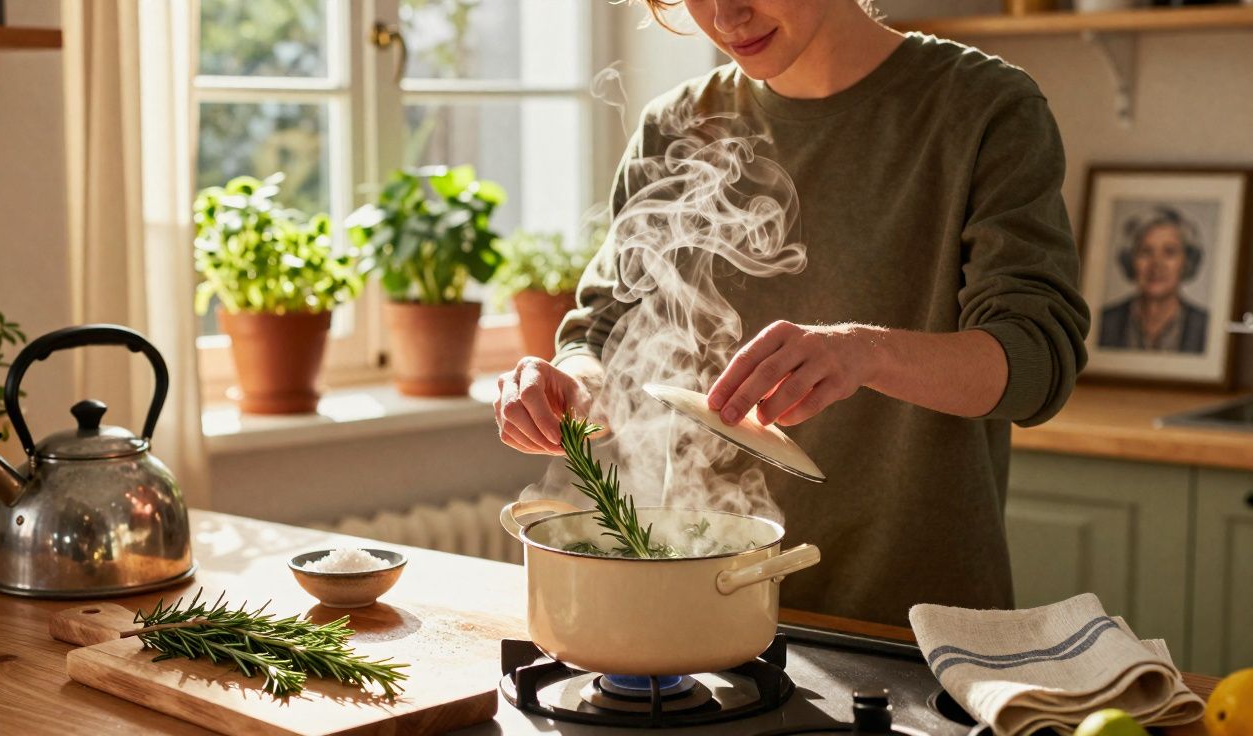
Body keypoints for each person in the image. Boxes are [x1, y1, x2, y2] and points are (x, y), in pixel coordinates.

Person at [494, 0, 1090, 626]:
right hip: (709, 608)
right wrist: (576, 388)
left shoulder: (984, 108)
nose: (726, 15)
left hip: (922, 628)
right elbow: (603, 331)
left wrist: (865, 351)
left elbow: (1035, 363)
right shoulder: (677, 126)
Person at [1098, 206, 1208, 354]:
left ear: (1186, 261)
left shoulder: (1206, 326)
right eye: (1145, 251)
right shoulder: (1103, 322)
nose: (1156, 264)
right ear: (1130, 259)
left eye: (1169, 252)